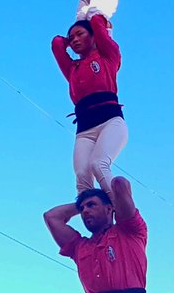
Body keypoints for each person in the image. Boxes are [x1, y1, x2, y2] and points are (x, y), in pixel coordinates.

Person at [51, 16, 127, 195]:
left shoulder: (108, 57)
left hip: (110, 122)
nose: (75, 40)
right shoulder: (72, 69)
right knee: (82, 176)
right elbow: (56, 44)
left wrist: (96, 21)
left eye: (80, 34)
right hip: (85, 130)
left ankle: (125, 213)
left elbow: (97, 23)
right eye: (71, 38)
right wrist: (68, 40)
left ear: (94, 37)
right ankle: (97, 221)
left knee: (98, 164)